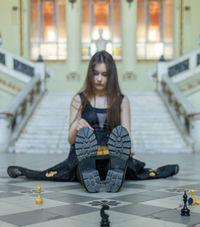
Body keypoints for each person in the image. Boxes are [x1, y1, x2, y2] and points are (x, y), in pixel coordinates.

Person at [7, 51, 179, 192]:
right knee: (82, 165)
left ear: (111, 76)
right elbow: (70, 139)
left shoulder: (122, 101)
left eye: (104, 75)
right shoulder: (78, 99)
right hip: (84, 153)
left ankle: (114, 171)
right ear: (90, 74)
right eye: (95, 73)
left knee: (118, 162)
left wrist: (129, 147)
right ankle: (89, 174)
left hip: (111, 153)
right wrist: (76, 125)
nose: (99, 79)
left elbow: (126, 131)